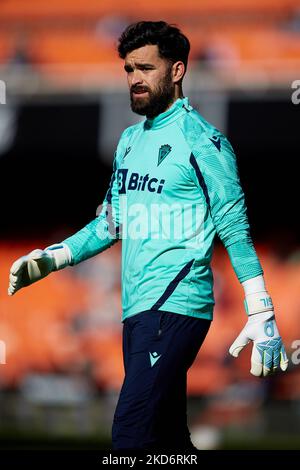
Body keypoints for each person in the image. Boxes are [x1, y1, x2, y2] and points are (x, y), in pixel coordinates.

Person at [8, 21, 288, 452]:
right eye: (129, 69)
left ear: (176, 71)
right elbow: (112, 223)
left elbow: (234, 227)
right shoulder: (129, 141)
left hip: (176, 306)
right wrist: (55, 257)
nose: (135, 78)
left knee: (130, 435)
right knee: (168, 443)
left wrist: (261, 310)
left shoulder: (205, 142)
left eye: (145, 68)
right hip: (137, 309)